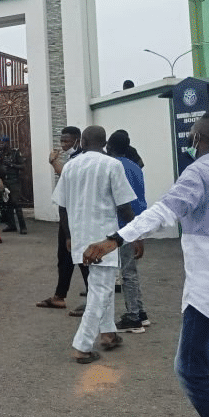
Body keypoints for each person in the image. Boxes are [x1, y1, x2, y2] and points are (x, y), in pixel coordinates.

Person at [84, 113, 209, 417]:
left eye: (192, 135)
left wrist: (114, 239)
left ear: (198, 136)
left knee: (190, 370)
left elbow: (162, 211)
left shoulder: (199, 173)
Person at [52, 125, 139, 364]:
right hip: (104, 240)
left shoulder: (70, 167)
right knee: (100, 291)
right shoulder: (112, 165)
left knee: (103, 287)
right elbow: (124, 206)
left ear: (82, 141)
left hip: (80, 238)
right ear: (104, 143)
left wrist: (68, 236)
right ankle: (82, 346)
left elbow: (62, 206)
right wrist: (136, 234)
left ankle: (108, 334)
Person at [103, 129, 150, 333]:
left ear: (110, 147)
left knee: (128, 272)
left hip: (125, 224)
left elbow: (123, 202)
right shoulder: (135, 166)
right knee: (131, 270)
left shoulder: (114, 166)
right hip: (138, 219)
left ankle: (133, 318)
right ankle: (140, 313)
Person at [36, 125, 86, 310]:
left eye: (67, 141)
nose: (63, 144)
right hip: (67, 216)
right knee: (64, 257)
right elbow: (66, 176)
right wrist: (53, 163)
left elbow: (68, 177)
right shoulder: (73, 159)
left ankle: (92, 300)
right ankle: (59, 296)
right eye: (62, 141)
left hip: (77, 216)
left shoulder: (81, 159)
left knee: (81, 257)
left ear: (78, 140)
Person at [0, 135, 28, 234]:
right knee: (6, 205)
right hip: (3, 181)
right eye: (0, 143)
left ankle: (23, 227)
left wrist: (11, 165)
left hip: (13, 181)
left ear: (7, 143)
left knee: (16, 204)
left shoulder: (15, 153)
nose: (1, 145)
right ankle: (11, 225)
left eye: (3, 143)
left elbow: (23, 166)